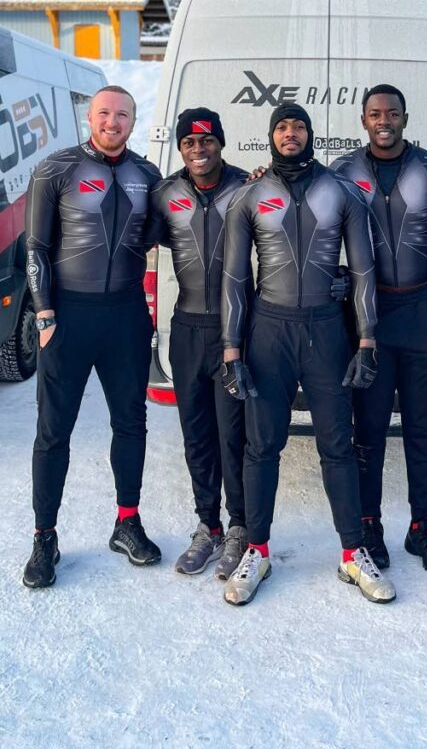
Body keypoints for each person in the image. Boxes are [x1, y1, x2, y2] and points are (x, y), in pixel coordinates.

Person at [219, 104, 395, 606]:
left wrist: (367, 340)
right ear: (271, 136)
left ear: (310, 134)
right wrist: (232, 350)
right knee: (261, 446)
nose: (290, 133)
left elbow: (363, 271)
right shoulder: (250, 195)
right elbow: (233, 278)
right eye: (281, 127)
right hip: (269, 330)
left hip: (326, 331)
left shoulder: (340, 191)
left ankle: (352, 552)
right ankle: (256, 550)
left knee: (338, 445)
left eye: (298, 126)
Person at [23, 85, 162, 589]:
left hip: (125, 314)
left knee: (131, 423)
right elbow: (35, 247)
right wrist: (44, 314)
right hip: (69, 315)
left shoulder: (147, 174)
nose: (112, 122)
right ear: (90, 117)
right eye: (104, 113)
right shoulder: (57, 168)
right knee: (53, 430)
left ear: (133, 121)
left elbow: (179, 218)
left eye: (122, 114)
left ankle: (127, 522)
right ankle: (44, 536)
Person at [331, 84, 427, 573]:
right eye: (374, 113)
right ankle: (370, 526)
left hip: (423, 312)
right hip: (369, 317)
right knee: (367, 429)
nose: (383, 120)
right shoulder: (342, 171)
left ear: (405, 117)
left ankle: (421, 527)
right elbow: (312, 223)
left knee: (421, 429)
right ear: (363, 120)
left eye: (391, 113)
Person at [147, 108, 250, 579]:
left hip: (236, 330)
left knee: (234, 437)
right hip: (188, 328)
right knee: (197, 436)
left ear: (220, 143)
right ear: (181, 148)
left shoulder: (248, 185)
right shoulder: (165, 193)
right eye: (189, 142)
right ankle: (208, 526)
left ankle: (240, 527)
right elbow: (131, 241)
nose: (199, 149)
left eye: (207, 141)